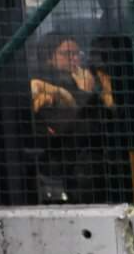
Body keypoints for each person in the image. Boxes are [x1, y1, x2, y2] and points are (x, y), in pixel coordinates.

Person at [26, 35, 112, 203]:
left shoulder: (84, 78)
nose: (74, 58)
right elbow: (79, 127)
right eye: (66, 54)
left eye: (77, 53)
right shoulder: (45, 83)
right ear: (49, 57)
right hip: (60, 170)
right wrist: (85, 93)